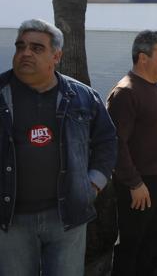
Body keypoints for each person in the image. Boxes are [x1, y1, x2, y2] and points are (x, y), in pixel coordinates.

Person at [0, 19, 117, 275]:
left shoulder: (83, 96)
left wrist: (94, 183)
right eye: (21, 46)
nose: (25, 53)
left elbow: (107, 140)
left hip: (67, 217)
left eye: (36, 48)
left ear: (57, 56)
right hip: (10, 221)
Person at [107, 30, 157, 276]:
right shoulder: (126, 92)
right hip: (140, 186)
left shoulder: (154, 86)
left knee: (154, 244)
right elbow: (115, 143)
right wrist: (134, 183)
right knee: (132, 247)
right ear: (142, 58)